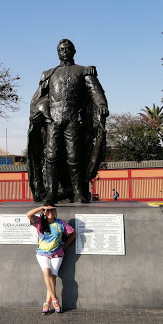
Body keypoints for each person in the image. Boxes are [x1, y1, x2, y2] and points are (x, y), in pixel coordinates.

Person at [27, 39, 109, 204]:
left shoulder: (83, 71)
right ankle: (51, 192)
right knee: (51, 156)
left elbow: (95, 91)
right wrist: (35, 112)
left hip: (73, 117)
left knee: (74, 156)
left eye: (67, 49)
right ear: (57, 52)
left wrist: (101, 105)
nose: (64, 51)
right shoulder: (49, 73)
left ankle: (79, 191)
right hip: (53, 118)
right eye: (61, 49)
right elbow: (38, 97)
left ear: (74, 51)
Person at [27, 202, 76, 315]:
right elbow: (28, 214)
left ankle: (47, 303)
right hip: (41, 253)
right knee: (47, 272)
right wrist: (42, 207)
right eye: (47, 210)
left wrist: (66, 245)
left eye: (52, 210)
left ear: (55, 211)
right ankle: (55, 299)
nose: (50, 212)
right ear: (44, 212)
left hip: (57, 254)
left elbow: (73, 233)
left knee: (52, 277)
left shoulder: (61, 224)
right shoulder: (39, 222)